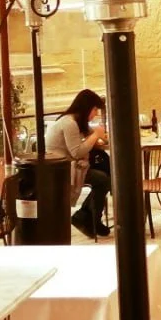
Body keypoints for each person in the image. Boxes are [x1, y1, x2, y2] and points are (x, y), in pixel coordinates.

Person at [46, 89, 111, 238]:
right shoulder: (69, 123)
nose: (95, 114)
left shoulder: (77, 122)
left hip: (70, 165)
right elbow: (77, 152)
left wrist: (98, 137)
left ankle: (90, 218)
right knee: (103, 179)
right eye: (95, 110)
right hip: (61, 170)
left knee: (107, 173)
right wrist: (96, 135)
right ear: (86, 107)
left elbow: (98, 140)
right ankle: (87, 217)